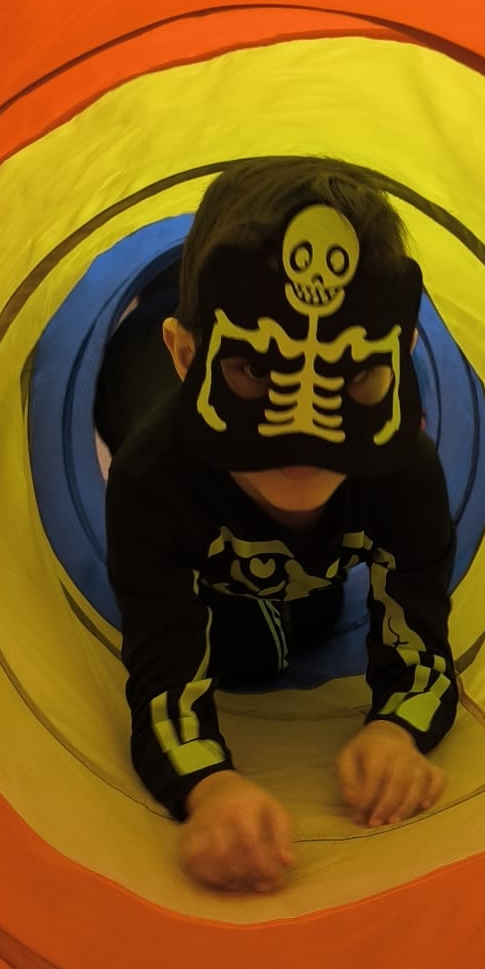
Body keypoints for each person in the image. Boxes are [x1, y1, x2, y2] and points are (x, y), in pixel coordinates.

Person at [100, 158, 458, 895]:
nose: (301, 434)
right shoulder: (152, 477)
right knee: (249, 653)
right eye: (255, 373)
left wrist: (396, 728)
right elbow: (164, 678)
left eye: (354, 376)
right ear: (188, 356)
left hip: (288, 562)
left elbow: (422, 643)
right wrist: (209, 787)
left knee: (298, 627)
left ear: (395, 359)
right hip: (141, 393)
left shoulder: (401, 468)